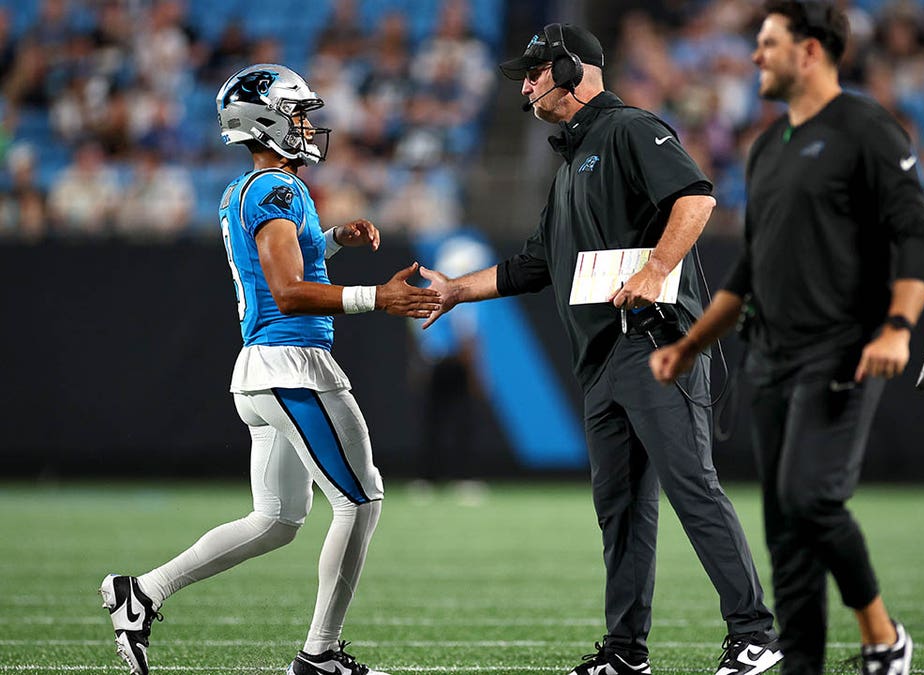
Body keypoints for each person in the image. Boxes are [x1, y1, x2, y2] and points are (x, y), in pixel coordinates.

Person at [420, 22, 781, 675]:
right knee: (621, 509)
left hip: (653, 344)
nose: (525, 85)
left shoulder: (628, 128)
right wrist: (454, 291)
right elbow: (532, 265)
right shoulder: (571, 165)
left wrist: (655, 268)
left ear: (570, 68)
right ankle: (624, 652)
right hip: (604, 359)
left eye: (534, 71)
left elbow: (696, 198)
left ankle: (756, 634)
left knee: (690, 485)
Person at [98, 63, 441, 675]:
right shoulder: (278, 190)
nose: (309, 124)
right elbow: (287, 291)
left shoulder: (249, 190)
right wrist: (376, 298)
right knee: (360, 501)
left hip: (263, 371)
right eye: (298, 112)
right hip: (292, 367)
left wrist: (332, 238)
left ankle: (142, 592)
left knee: (278, 519)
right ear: (267, 119)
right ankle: (320, 657)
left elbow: (281, 264)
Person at [650, 4, 924, 674]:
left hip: (842, 348)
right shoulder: (766, 146)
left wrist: (898, 325)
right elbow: (750, 269)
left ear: (810, 51)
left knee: (811, 498)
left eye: (768, 44)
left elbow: (918, 234)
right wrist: (689, 346)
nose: (755, 57)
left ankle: (883, 636)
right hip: (769, 356)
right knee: (785, 536)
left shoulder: (865, 127)